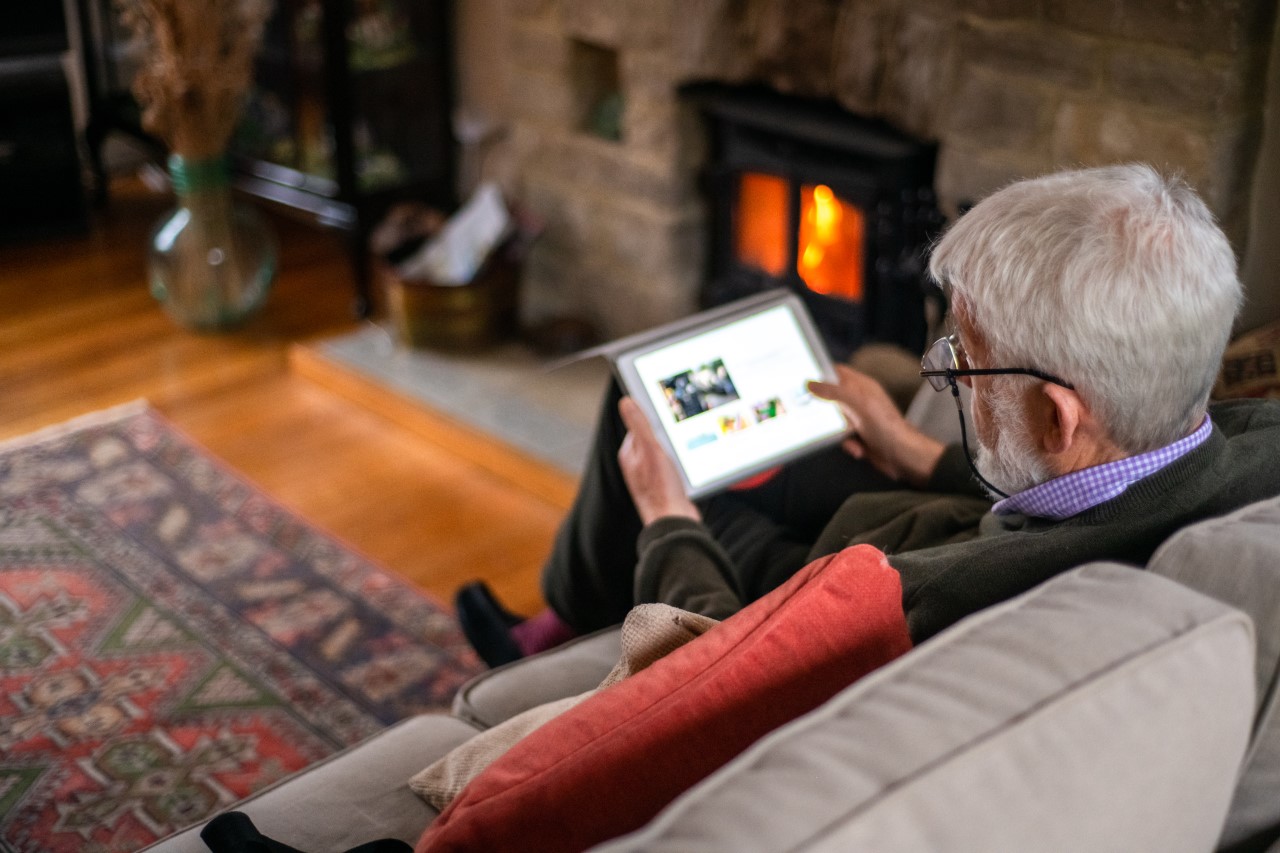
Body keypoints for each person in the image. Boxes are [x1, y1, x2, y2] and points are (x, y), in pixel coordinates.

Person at [457, 163, 1280, 666]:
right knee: (678, 410)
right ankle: (567, 607)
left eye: (964, 359)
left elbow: (713, 664)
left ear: (1057, 419)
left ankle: (558, 620)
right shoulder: (1254, 447)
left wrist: (669, 522)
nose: (945, 371)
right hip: (918, 512)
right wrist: (919, 451)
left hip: (819, 575)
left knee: (640, 415)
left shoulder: (935, 602)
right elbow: (1086, 482)